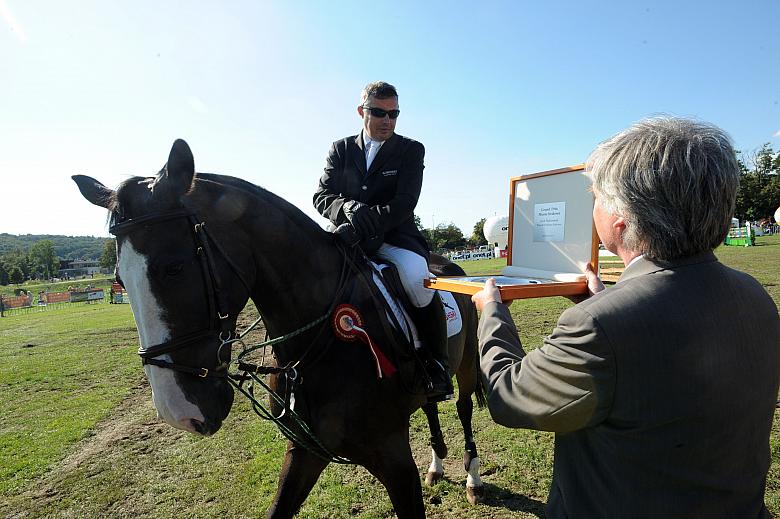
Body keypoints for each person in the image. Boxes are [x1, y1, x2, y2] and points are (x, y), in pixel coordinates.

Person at [471, 117, 780, 518]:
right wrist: (605, 301)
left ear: (620, 218)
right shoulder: (754, 293)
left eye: (595, 195)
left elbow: (510, 398)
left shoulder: (598, 326)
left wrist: (492, 311)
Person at [313, 81, 452, 402]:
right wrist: (346, 208)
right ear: (362, 111)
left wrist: (364, 223)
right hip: (345, 236)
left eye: (394, 114)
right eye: (379, 113)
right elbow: (321, 196)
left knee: (419, 282)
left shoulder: (410, 150)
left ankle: (436, 365)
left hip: (395, 239)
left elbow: (405, 202)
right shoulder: (340, 149)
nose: (387, 120)